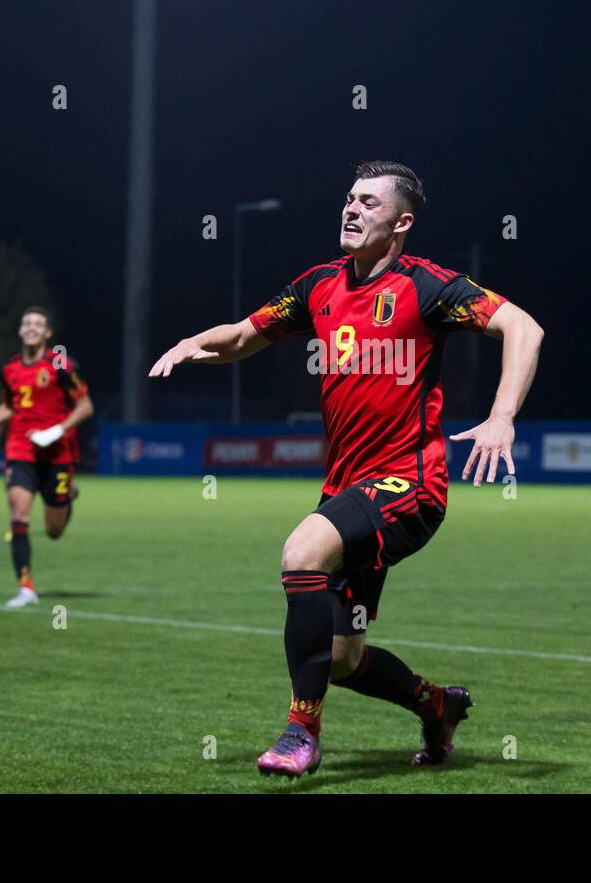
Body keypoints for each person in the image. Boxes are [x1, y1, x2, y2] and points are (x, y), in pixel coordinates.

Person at [150, 161, 544, 776]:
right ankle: (436, 706)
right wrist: (191, 344)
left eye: (367, 201)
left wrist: (502, 416)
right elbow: (242, 335)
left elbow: (523, 326)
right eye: (348, 199)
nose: (351, 209)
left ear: (401, 221)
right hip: (348, 491)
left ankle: (300, 733)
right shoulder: (320, 286)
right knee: (341, 655)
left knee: (302, 550)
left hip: (410, 487)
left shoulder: (428, 287)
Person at [0, 307, 93, 606]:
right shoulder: (9, 369)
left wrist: (56, 431)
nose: (32, 327)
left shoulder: (60, 364)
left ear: (48, 333)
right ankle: (26, 588)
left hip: (57, 454)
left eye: (38, 324)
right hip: (21, 450)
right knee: (19, 516)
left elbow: (85, 407)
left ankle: (67, 498)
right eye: (27, 323)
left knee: (53, 530)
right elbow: (10, 406)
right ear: (21, 330)